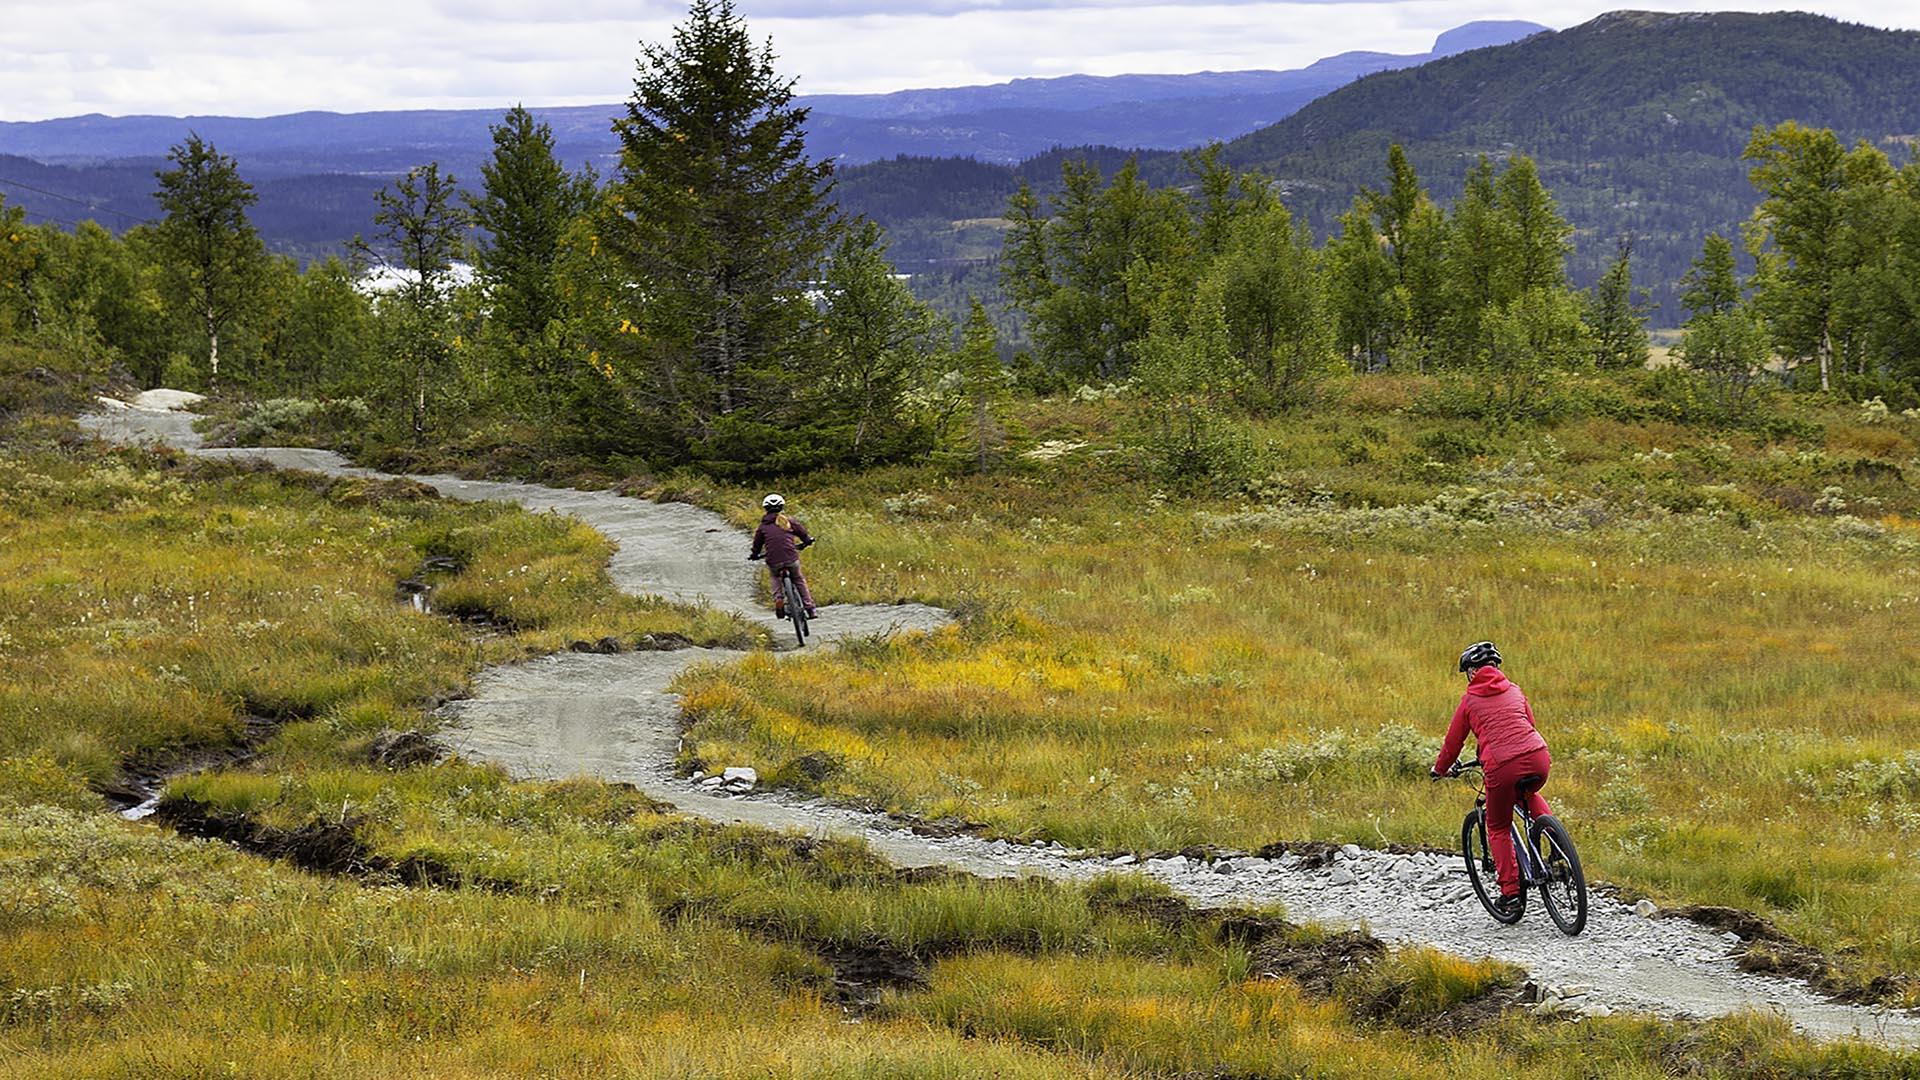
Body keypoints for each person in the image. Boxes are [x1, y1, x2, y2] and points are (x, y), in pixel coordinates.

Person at [1431, 641, 1551, 918]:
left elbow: (1453, 743)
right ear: (1496, 667)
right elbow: (1528, 724)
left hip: (1501, 766)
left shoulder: (1470, 701)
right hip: (1538, 756)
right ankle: (1557, 849)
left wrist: (1440, 769)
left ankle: (1510, 894)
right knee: (1529, 794)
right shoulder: (1515, 690)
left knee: (1497, 825)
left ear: (1472, 672)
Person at [749, 494, 817, 618]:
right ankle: (810, 608)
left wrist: (754, 554)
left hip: (773, 560)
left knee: (775, 577)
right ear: (782, 507)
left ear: (765, 508)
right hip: (791, 558)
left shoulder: (763, 526)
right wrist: (807, 541)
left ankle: (778, 599)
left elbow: (757, 544)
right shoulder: (788, 521)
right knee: (798, 579)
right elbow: (803, 534)